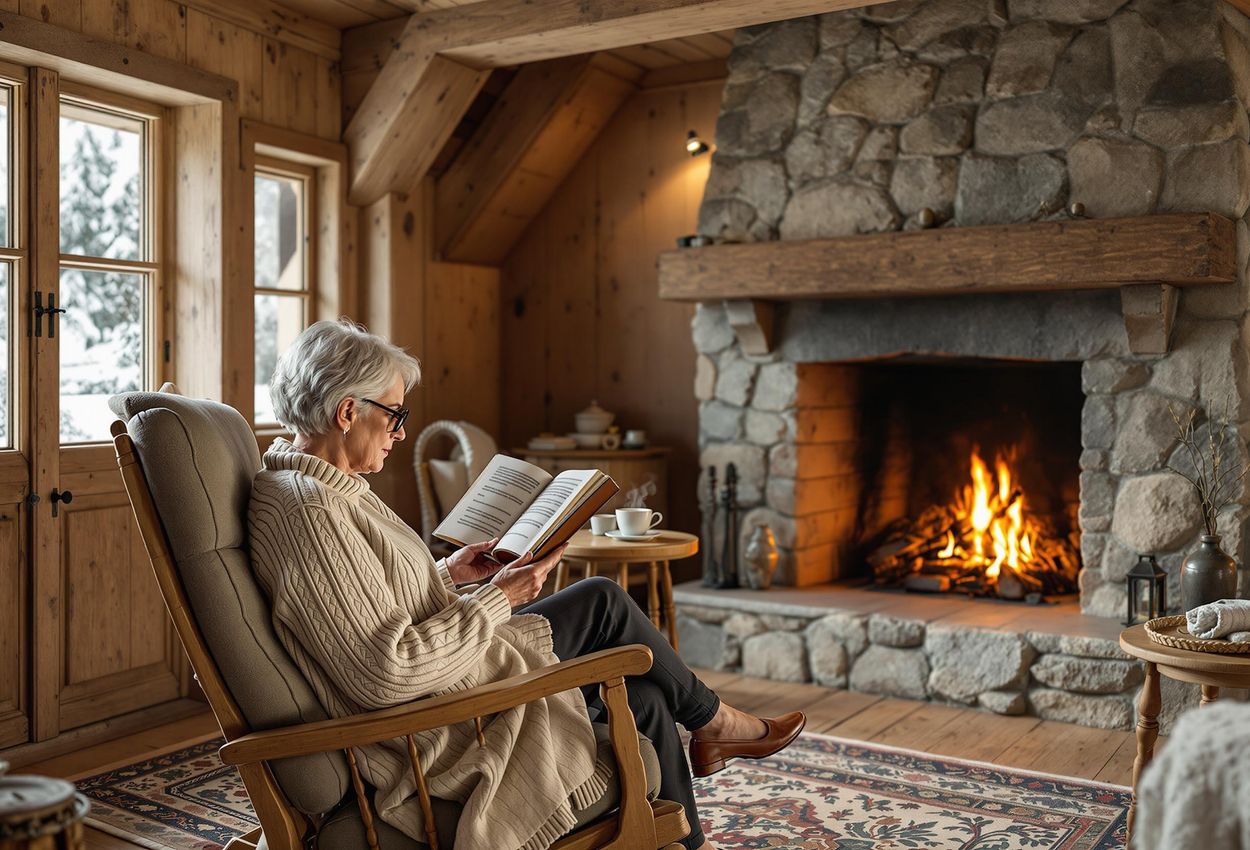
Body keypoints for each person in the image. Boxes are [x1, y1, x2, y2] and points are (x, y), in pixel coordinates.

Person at [247, 319, 805, 850]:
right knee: (603, 601)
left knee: (646, 696)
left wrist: (452, 575)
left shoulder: (325, 491)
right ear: (348, 411)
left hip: (458, 681)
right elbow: (385, 673)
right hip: (438, 722)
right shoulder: (308, 511)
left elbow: (368, 606)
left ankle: (683, 832)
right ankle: (718, 724)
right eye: (395, 414)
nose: (401, 430)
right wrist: (499, 597)